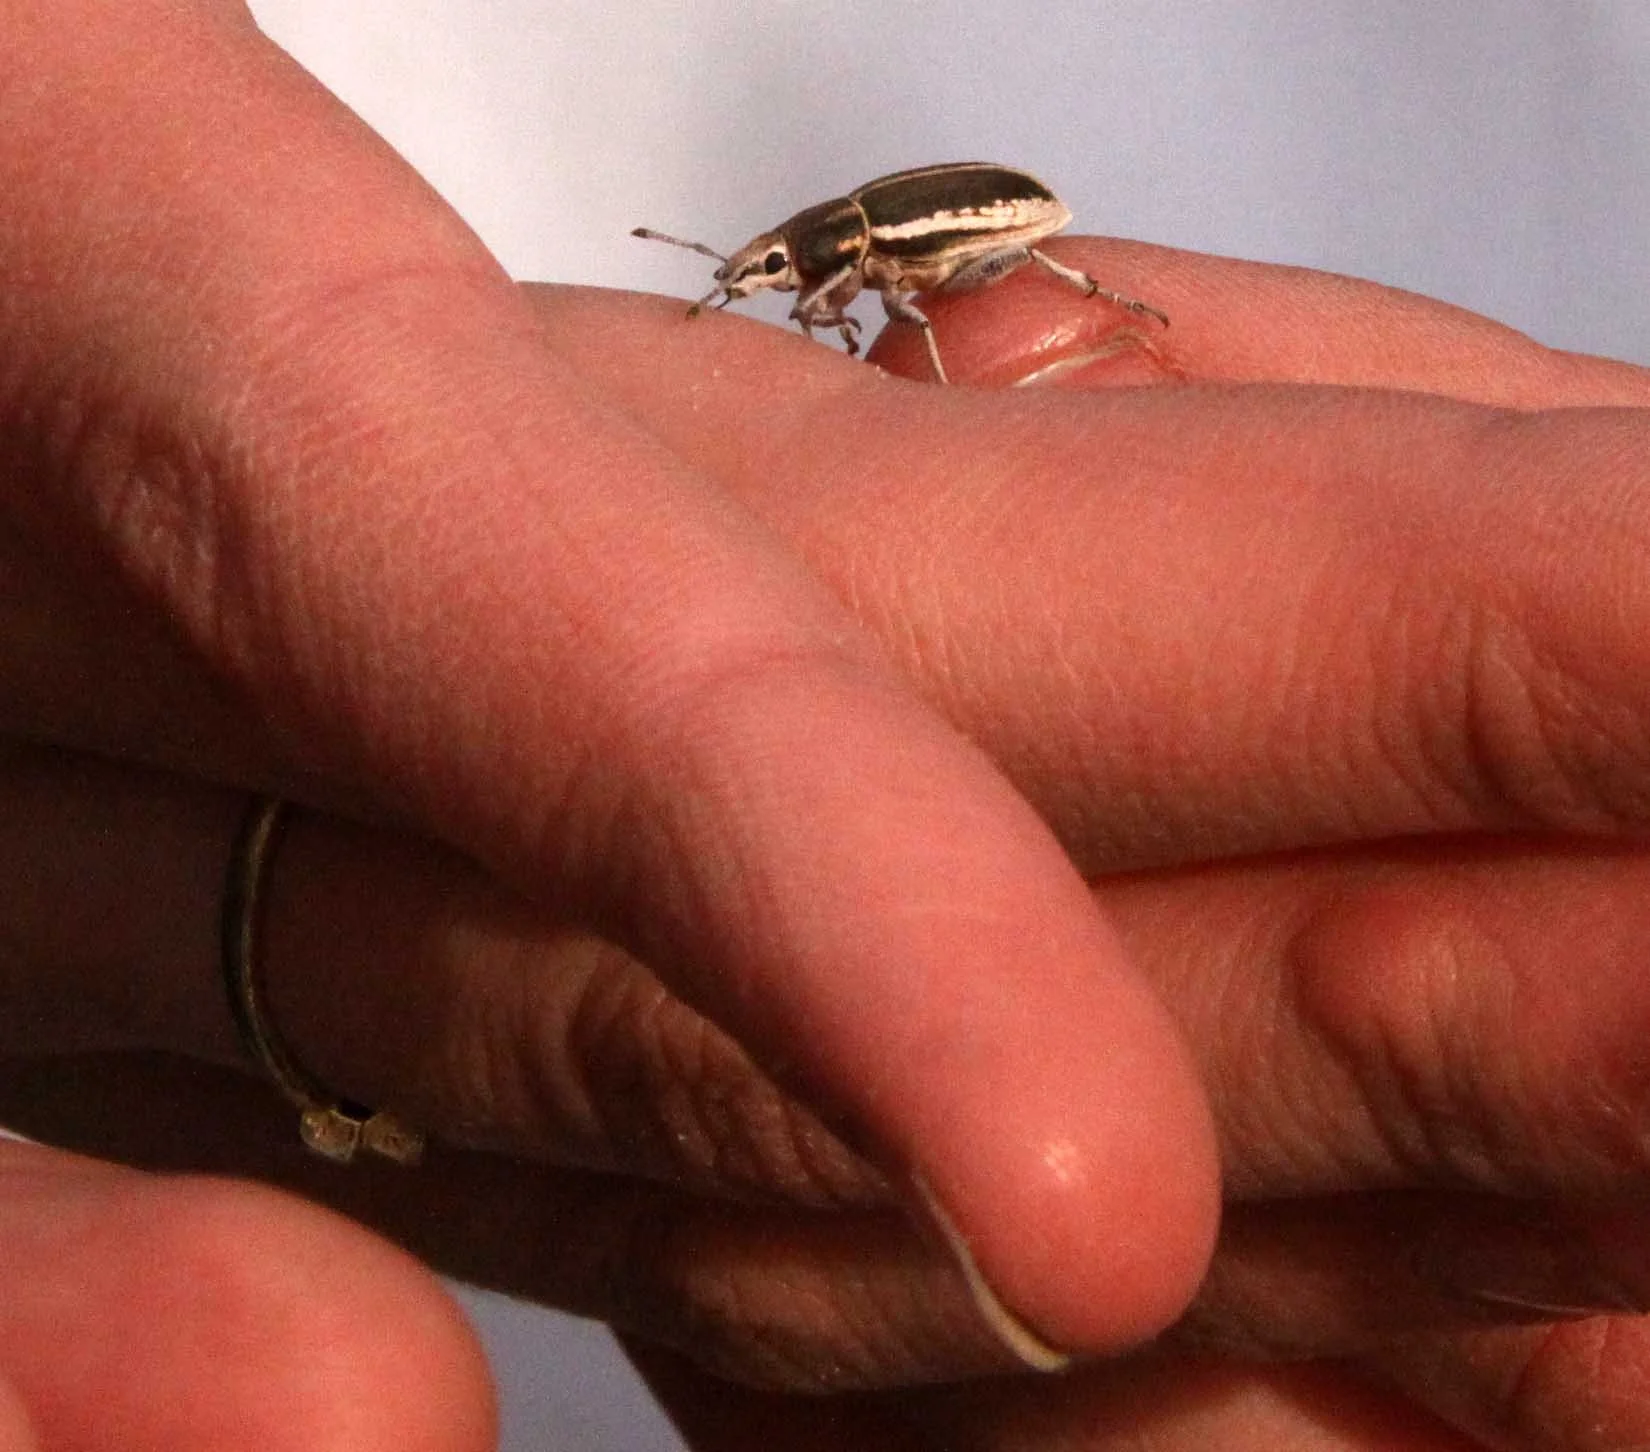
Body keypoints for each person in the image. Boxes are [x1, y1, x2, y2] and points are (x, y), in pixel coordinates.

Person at [6, 5, 1650, 1449]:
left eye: (781, 277)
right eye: (777, 279)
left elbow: (951, 279)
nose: (767, 291)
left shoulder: (906, 250)